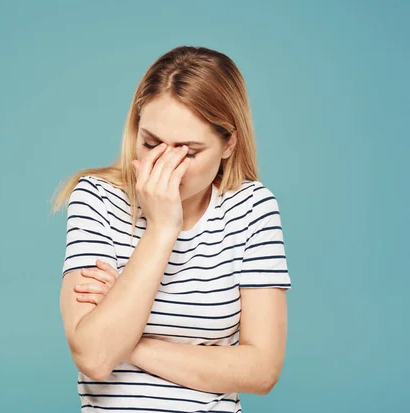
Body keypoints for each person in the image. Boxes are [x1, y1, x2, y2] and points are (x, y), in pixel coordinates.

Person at [50, 45, 292, 413]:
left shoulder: (252, 209)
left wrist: (131, 340)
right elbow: (96, 358)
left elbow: (262, 371)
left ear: (229, 144)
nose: (164, 164)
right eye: (151, 143)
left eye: (189, 151)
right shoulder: (96, 199)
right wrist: (162, 228)